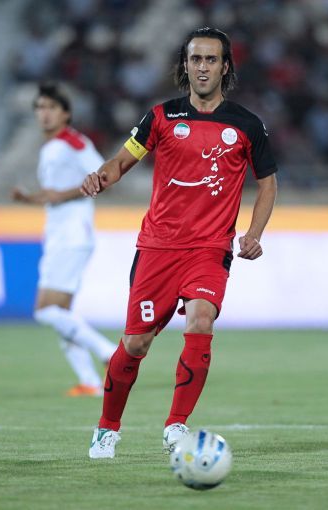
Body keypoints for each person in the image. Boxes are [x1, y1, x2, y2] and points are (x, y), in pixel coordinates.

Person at [81, 27, 278, 459]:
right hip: (157, 248)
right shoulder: (161, 116)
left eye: (211, 60)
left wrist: (254, 233)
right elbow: (122, 160)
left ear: (225, 67)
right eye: (195, 59)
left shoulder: (246, 124)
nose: (202, 67)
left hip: (210, 249)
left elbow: (267, 184)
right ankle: (107, 428)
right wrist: (101, 176)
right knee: (136, 344)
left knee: (201, 321)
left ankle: (176, 425)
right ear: (185, 66)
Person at [11, 82, 116, 398]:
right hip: (59, 234)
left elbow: (103, 175)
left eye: (51, 108)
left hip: (72, 234)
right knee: (61, 316)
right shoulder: (52, 147)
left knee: (45, 312)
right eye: (40, 108)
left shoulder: (74, 142)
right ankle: (90, 382)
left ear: (66, 114)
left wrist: (64, 195)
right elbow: (54, 194)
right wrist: (30, 199)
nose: (44, 114)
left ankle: (110, 353)